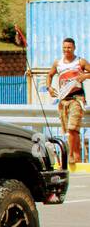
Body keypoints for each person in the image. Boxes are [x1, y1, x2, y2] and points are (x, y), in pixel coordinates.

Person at [48, 37, 90, 165]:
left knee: (72, 128)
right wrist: (49, 87)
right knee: (69, 131)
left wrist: (85, 75)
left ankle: (71, 156)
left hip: (77, 99)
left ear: (74, 48)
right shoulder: (58, 63)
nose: (67, 50)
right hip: (63, 100)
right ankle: (75, 156)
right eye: (65, 47)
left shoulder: (80, 62)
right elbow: (50, 75)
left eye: (69, 47)